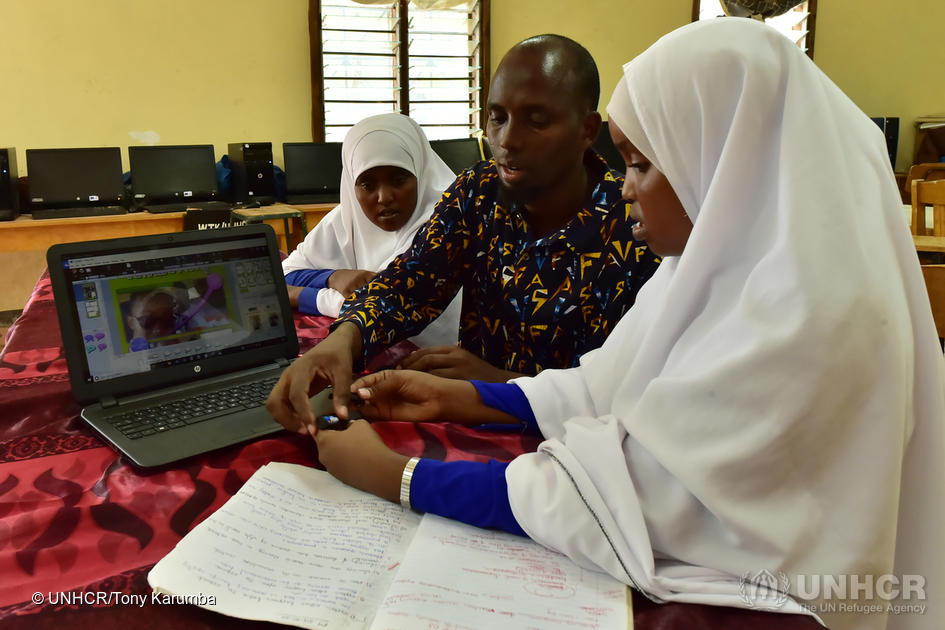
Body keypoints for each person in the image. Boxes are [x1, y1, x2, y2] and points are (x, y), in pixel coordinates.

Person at [289, 18, 945, 630]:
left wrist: (400, 477)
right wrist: (462, 396)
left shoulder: (802, 316)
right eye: (495, 118)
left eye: (640, 164)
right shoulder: (702, 265)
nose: (628, 187)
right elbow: (605, 382)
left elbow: (636, 492)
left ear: (719, 162)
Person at [267, 34, 660, 427]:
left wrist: (498, 384)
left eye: (536, 121)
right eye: (497, 117)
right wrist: (344, 338)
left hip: (576, 448)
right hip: (464, 421)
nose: (506, 140)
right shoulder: (479, 191)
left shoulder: (636, 224)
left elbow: (631, 391)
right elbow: (411, 283)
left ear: (588, 130)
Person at [281, 112, 461, 348]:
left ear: (420, 173)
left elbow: (381, 307)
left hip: (437, 369)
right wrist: (333, 277)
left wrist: (300, 295)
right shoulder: (345, 218)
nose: (384, 197)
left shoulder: (447, 222)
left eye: (398, 180)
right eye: (367, 184)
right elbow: (285, 275)